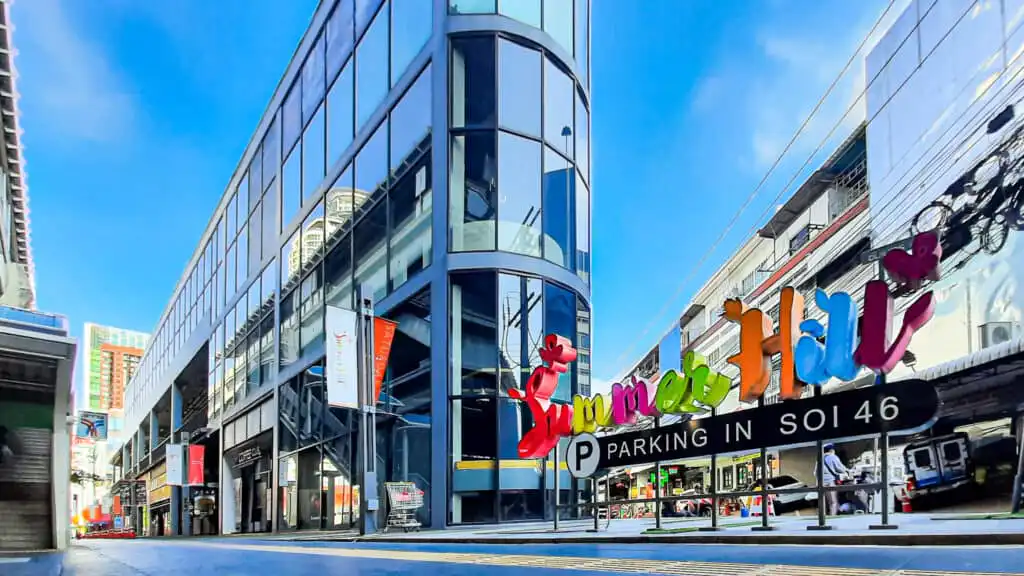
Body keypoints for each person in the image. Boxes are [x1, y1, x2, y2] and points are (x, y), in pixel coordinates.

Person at [815, 443, 849, 516]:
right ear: (831, 450)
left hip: (820, 483)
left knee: (825, 503)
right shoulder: (833, 457)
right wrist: (848, 471)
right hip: (829, 482)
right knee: (833, 502)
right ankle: (832, 518)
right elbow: (840, 469)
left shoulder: (819, 459)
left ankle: (823, 518)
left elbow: (815, 473)